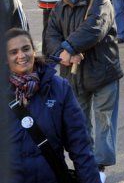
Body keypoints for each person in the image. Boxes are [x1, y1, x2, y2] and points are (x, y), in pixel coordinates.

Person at [44, 0, 123, 177]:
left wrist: (70, 46)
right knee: (78, 120)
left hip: (102, 70)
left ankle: (100, 165)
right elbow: (51, 34)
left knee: (104, 117)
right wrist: (63, 55)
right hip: (73, 73)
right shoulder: (59, 7)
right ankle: (86, 160)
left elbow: (95, 27)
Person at [7, 28, 101, 183]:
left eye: (25, 49)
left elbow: (80, 146)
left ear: (34, 50)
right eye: (13, 52)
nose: (21, 55)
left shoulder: (59, 88)